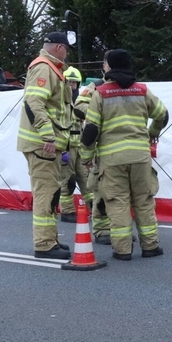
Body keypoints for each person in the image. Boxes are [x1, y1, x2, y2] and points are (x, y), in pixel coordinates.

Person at [80, 49, 168, 261]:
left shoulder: (101, 93)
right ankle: (150, 246)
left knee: (117, 202)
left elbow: (91, 130)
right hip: (140, 157)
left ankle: (123, 250)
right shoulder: (142, 90)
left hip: (112, 160)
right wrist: (152, 134)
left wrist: (86, 157)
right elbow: (162, 115)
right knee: (144, 201)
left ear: (109, 66)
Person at [16, 32, 72, 259]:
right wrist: (48, 136)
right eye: (66, 49)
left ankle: (51, 239)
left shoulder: (51, 68)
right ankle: (44, 244)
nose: (67, 54)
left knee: (52, 193)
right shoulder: (43, 67)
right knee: (46, 194)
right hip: (43, 144)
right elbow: (34, 103)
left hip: (45, 144)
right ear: (59, 47)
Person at [74, 78, 112, 243]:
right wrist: (101, 111)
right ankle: (102, 231)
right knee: (100, 191)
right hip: (101, 148)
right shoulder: (96, 85)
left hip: (118, 150)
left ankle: (118, 231)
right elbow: (79, 107)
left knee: (121, 195)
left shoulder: (129, 86)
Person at [58, 66, 90, 224]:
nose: (72, 85)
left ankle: (94, 208)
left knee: (86, 179)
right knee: (67, 180)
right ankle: (67, 211)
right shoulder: (60, 101)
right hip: (67, 147)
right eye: (69, 82)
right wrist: (62, 149)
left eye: (74, 83)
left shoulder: (80, 101)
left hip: (80, 148)